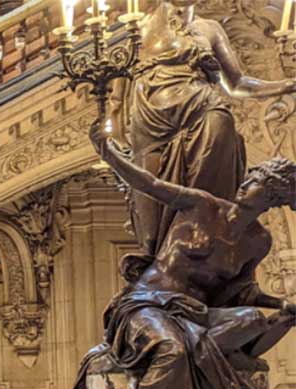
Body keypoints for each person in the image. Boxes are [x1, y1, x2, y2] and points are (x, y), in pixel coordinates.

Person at [74, 121, 296, 389]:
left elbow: (244, 293)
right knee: (173, 350)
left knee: (255, 318)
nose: (245, 185)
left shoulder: (258, 241)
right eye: (250, 178)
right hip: (146, 304)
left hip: (194, 314)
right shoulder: (202, 204)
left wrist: (284, 305)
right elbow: (151, 185)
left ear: (270, 200)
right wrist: (108, 153)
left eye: (257, 184)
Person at [124, 1, 296, 258]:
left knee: (216, 143)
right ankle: (159, 261)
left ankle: (205, 239)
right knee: (150, 221)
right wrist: (114, 128)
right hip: (153, 116)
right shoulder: (140, 21)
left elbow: (237, 84)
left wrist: (286, 85)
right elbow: (117, 79)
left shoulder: (210, 29)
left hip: (202, 106)